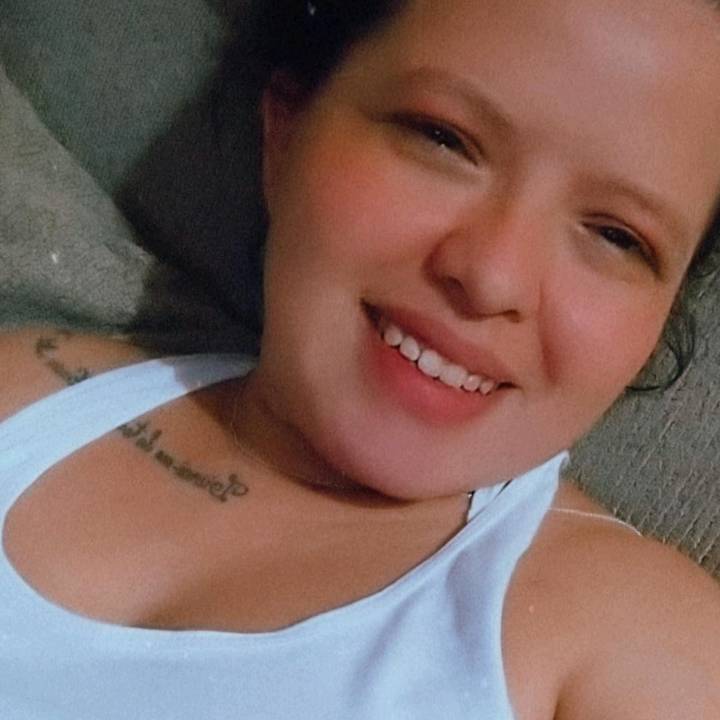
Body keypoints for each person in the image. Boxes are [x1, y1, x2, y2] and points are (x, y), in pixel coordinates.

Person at [1, 0, 719, 717]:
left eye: (619, 238)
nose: (491, 276)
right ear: (285, 128)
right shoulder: (29, 387)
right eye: (443, 139)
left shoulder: (641, 644)